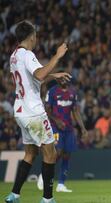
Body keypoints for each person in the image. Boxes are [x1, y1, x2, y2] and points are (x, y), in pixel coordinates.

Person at [5, 20, 69, 203]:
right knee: (50, 154)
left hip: (21, 111)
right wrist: (57, 56)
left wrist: (53, 75)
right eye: (35, 35)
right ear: (31, 36)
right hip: (34, 113)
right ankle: (47, 199)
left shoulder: (14, 56)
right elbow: (38, 74)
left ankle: (14, 195)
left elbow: (30, 79)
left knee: (30, 153)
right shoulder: (27, 54)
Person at [37, 79, 88, 193]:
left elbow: (75, 111)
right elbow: (47, 110)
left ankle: (61, 184)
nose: (64, 80)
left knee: (67, 155)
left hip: (68, 128)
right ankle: (43, 174)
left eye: (66, 78)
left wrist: (82, 128)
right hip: (55, 127)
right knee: (58, 152)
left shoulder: (72, 92)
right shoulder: (52, 91)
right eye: (62, 78)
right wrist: (57, 120)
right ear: (58, 80)